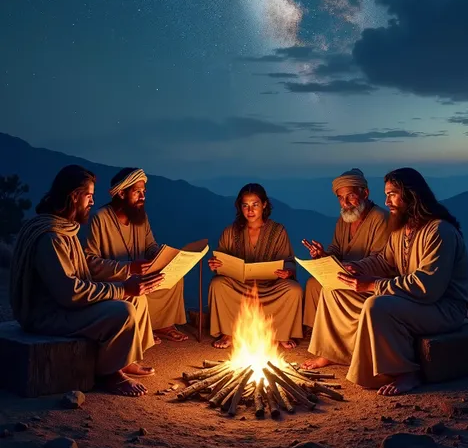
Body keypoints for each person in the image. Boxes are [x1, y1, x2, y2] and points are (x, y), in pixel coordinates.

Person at [303, 167, 468, 395]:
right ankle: (338, 353)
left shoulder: (439, 231)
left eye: (392, 194)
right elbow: (384, 261)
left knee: (377, 305)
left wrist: (373, 285)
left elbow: (428, 287)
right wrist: (355, 268)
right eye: (386, 194)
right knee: (335, 290)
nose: (386, 200)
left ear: (410, 195)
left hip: (442, 307)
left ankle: (405, 372)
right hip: (415, 300)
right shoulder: (401, 229)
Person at [9, 165, 163, 397]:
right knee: (123, 312)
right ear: (74, 197)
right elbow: (70, 293)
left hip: (64, 304)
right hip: (47, 314)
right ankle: (109, 374)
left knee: (135, 295)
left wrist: (128, 286)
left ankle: (123, 359)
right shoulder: (51, 238)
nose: (92, 202)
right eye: (89, 196)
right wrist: (121, 288)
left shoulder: (63, 229)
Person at [84, 168, 187, 344]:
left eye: (144, 192)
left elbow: (150, 247)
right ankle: (143, 329)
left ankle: (162, 325)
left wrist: (164, 255)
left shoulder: (140, 217)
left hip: (141, 273)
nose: (142, 197)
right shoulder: (99, 219)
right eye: (137, 192)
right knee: (137, 291)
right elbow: (89, 262)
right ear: (122, 193)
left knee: (175, 278)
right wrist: (128, 268)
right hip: (116, 280)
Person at [208, 183, 303, 350]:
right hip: (239, 287)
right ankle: (229, 333)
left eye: (255, 205)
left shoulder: (278, 231)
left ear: (264, 204)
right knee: (218, 285)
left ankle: (281, 334)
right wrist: (217, 265)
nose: (250, 210)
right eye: (245, 205)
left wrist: (287, 271)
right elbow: (221, 261)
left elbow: (288, 260)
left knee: (293, 290)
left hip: (271, 287)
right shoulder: (230, 232)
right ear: (240, 207)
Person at [302, 168, 389, 339]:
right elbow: (336, 250)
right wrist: (322, 254)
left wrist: (353, 268)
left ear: (365, 193)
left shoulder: (380, 218)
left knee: (329, 289)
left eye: (350, 196)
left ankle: (330, 340)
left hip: (364, 279)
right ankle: (316, 334)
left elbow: (380, 260)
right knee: (313, 284)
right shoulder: (344, 219)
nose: (345, 203)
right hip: (342, 274)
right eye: (340, 198)